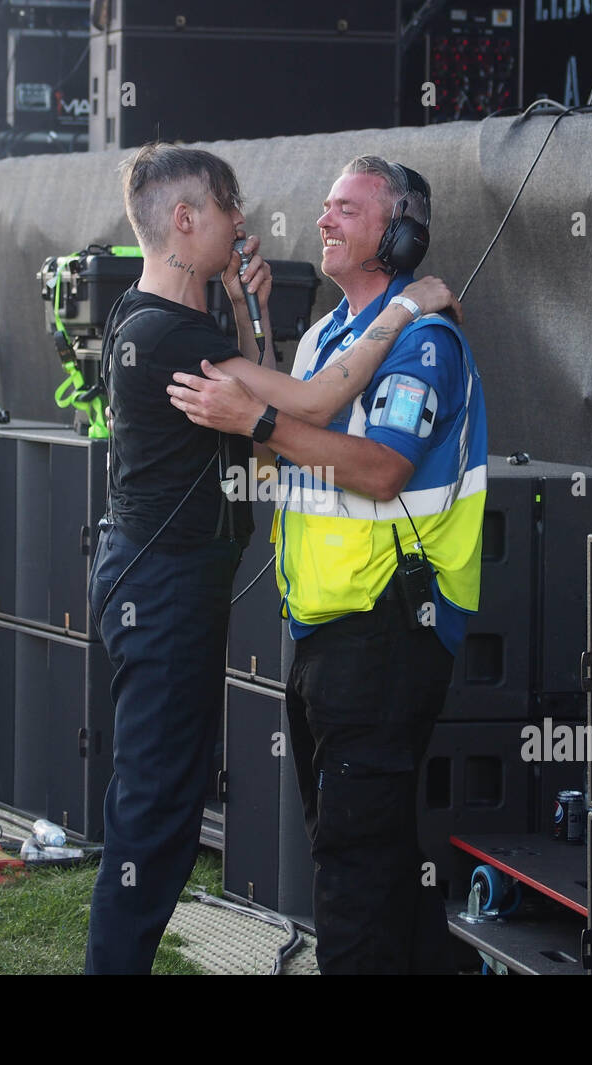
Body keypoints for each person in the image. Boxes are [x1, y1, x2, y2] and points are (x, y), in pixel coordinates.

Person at [86, 143, 460, 974]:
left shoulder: (156, 318)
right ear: (185, 220)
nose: (244, 226)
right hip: (168, 589)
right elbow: (315, 403)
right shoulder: (177, 334)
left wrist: (247, 314)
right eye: (228, 212)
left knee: (171, 810)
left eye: (345, 210)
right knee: (155, 815)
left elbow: (260, 438)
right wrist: (407, 310)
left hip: (178, 589)